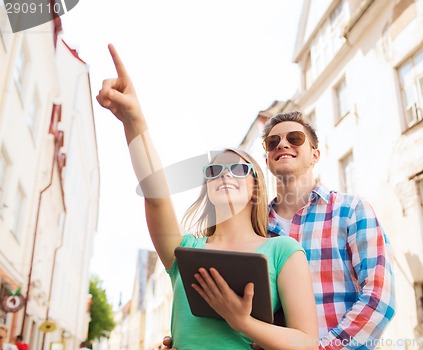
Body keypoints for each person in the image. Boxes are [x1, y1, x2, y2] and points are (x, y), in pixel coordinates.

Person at [96, 44, 318, 350]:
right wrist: (133, 119)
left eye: (237, 168)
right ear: (207, 190)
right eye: (214, 170)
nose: (225, 174)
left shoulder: (283, 250)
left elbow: (306, 342)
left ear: (256, 188)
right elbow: (155, 194)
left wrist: (242, 322)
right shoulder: (185, 250)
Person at [164, 111, 396, 349]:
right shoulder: (253, 230)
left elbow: (378, 298)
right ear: (266, 162)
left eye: (295, 138)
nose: (282, 144)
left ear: (315, 155)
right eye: (272, 143)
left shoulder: (351, 210)